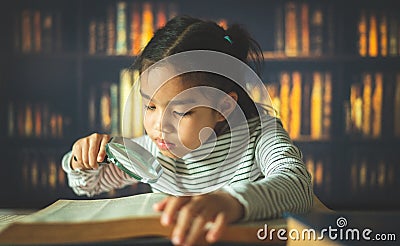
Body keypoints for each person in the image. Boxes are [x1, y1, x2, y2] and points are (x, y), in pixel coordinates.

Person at [62, 15, 313, 245]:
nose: (159, 126)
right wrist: (81, 159)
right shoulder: (153, 151)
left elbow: (298, 187)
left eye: (181, 112)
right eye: (150, 106)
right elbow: (87, 185)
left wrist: (232, 202)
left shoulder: (261, 136)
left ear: (222, 107)